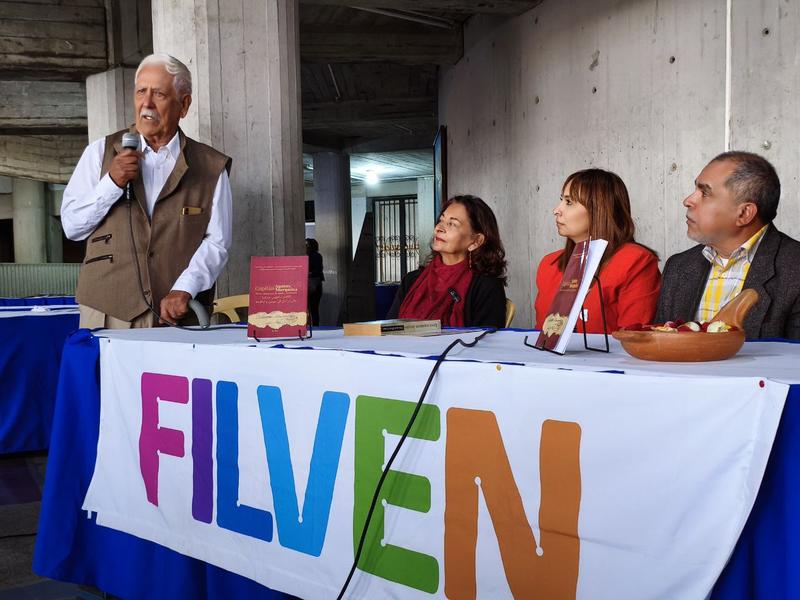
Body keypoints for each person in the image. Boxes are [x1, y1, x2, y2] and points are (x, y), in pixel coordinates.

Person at [61, 53, 233, 329]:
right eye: (141, 91)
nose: (146, 104)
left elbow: (217, 242)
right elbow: (72, 227)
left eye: (159, 94)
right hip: (108, 311)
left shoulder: (211, 167)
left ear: (184, 104)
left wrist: (185, 288)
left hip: (176, 313)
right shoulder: (99, 153)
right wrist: (111, 183)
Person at [656, 151, 800, 339]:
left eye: (704, 193)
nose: (688, 200)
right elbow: (659, 346)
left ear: (744, 213)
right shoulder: (679, 266)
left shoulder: (794, 269)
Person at [535, 168, 661, 333]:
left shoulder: (635, 261)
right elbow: (541, 334)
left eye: (569, 202)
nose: (557, 210)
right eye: (561, 200)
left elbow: (634, 338)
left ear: (599, 209)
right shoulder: (549, 264)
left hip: (611, 359)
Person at [387, 195, 507, 328]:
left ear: (476, 241)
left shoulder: (486, 287)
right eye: (441, 220)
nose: (439, 228)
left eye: (452, 224)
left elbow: (488, 343)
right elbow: (388, 332)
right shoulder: (411, 281)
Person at [306, 238, 324, 326]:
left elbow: (318, 271)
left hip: (314, 285)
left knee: (314, 308)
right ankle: (312, 326)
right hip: (311, 284)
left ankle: (315, 327)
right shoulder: (306, 255)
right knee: (313, 309)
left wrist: (307, 274)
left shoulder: (316, 256)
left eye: (307, 245)